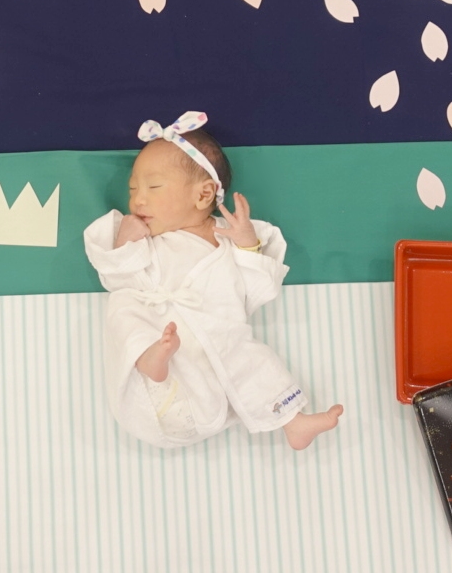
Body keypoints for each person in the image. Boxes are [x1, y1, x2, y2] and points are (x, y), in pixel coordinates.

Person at [83, 111, 343, 449]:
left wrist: (248, 244)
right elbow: (118, 277)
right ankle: (148, 356)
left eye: (153, 187)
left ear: (204, 194)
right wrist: (125, 243)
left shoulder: (228, 239)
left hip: (219, 347)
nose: (137, 199)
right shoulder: (149, 241)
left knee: (254, 360)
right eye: (133, 189)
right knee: (124, 304)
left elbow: (257, 290)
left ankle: (293, 421)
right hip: (167, 365)